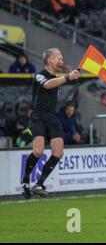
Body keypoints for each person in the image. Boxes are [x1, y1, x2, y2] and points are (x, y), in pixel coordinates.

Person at [21, 48, 80, 199]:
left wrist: (67, 77)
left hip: (51, 118)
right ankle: (26, 180)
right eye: (59, 58)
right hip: (38, 116)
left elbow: (54, 83)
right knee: (39, 151)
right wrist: (67, 77)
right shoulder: (40, 75)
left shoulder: (56, 78)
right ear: (49, 60)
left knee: (58, 152)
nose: (62, 61)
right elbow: (47, 85)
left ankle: (39, 183)